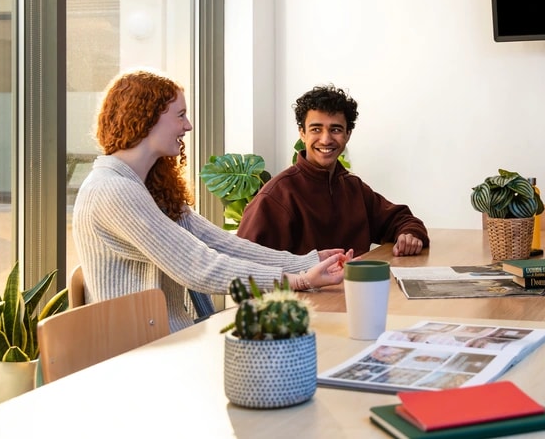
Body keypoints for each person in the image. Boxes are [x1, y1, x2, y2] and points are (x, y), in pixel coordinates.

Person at [72, 70, 349, 333]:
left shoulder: (149, 188)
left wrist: (306, 262)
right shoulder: (112, 190)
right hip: (138, 353)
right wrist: (299, 280)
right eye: (180, 115)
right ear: (147, 118)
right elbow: (197, 265)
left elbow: (222, 244)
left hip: (169, 337)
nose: (188, 126)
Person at [237, 84, 429, 256]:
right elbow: (244, 269)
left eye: (335, 129)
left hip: (355, 291)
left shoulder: (353, 188)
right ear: (302, 133)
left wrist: (408, 235)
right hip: (302, 296)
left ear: (348, 135)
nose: (326, 139)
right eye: (316, 129)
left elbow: (400, 219)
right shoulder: (275, 197)